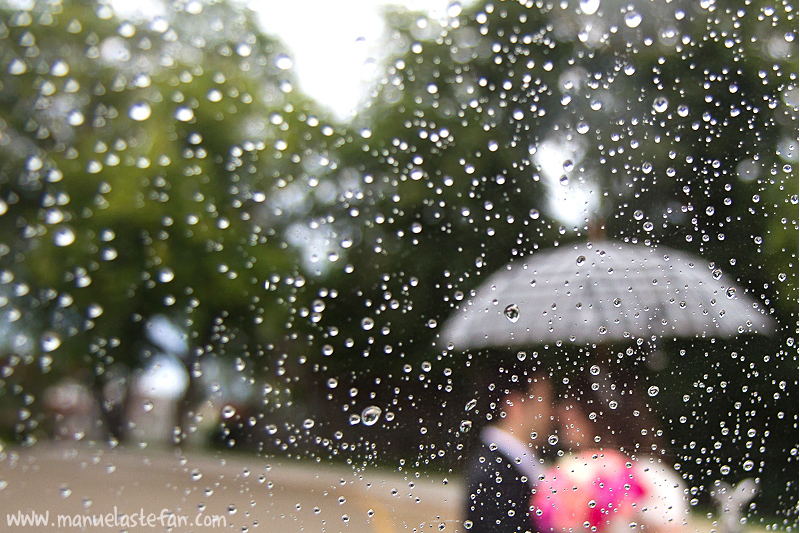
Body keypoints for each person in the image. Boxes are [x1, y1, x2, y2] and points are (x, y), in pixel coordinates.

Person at [463, 362, 554, 532]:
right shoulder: (494, 473)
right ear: (515, 405)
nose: (551, 413)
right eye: (545, 401)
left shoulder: (509, 465)